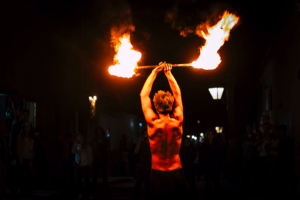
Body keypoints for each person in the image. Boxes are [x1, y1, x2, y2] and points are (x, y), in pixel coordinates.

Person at [140, 62, 190, 200]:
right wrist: (169, 74)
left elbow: (143, 95)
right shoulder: (178, 120)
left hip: (157, 172)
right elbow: (178, 94)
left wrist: (154, 73)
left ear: (155, 105)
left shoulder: (152, 123)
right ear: (171, 104)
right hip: (176, 172)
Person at [198, 128, 222, 200]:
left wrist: (219, 165)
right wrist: (201, 167)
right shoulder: (204, 144)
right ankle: (210, 197)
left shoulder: (217, 144)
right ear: (207, 135)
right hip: (207, 167)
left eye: (211, 134)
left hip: (215, 167)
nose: (210, 136)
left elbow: (220, 155)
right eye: (209, 134)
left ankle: (217, 196)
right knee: (208, 184)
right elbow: (201, 156)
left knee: (216, 183)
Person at [16, 121, 36, 195]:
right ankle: (23, 189)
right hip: (23, 157)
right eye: (26, 127)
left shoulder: (31, 137)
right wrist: (20, 157)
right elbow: (18, 147)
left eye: (29, 127)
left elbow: (31, 148)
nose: (27, 128)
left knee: (29, 173)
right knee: (23, 174)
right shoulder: (21, 136)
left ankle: (28, 188)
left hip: (29, 157)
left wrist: (33, 154)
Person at [72, 134, 93, 199]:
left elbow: (90, 155)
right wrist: (76, 144)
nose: (80, 139)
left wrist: (89, 162)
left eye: (81, 137)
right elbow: (73, 152)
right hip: (78, 164)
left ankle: (90, 193)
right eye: (78, 138)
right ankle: (80, 193)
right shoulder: (77, 145)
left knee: (86, 179)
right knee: (78, 180)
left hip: (85, 164)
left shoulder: (87, 146)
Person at [132, 130, 151, 200]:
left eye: (147, 134)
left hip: (149, 167)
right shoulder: (141, 143)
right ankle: (135, 197)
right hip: (142, 167)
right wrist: (140, 141)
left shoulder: (152, 143)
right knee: (138, 184)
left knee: (149, 186)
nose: (146, 136)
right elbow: (136, 151)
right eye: (145, 134)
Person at [90, 127, 109, 194]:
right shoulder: (94, 140)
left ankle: (105, 187)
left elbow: (107, 149)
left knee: (104, 173)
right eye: (98, 131)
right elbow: (92, 148)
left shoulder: (105, 140)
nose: (99, 133)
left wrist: (107, 158)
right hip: (96, 158)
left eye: (100, 131)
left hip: (103, 158)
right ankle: (94, 186)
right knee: (95, 173)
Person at [179, 135, 198, 200]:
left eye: (188, 142)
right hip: (184, 169)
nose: (186, 143)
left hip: (190, 169)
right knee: (184, 185)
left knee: (192, 184)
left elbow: (194, 157)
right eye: (185, 142)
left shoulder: (192, 149)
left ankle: (194, 196)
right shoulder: (182, 150)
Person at [241, 124, 256, 192]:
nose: (249, 128)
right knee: (245, 174)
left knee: (253, 173)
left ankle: (252, 188)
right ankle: (246, 188)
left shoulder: (255, 136)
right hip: (245, 157)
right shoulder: (244, 136)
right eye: (248, 127)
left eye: (250, 127)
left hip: (253, 157)